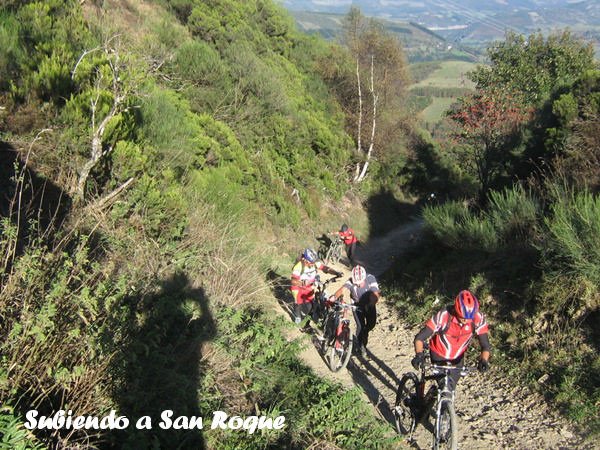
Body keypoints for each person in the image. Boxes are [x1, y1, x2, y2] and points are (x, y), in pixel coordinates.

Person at [411, 290, 490, 392]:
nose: (466, 320)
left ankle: (438, 398)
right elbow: (419, 338)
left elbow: (485, 345)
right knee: (445, 386)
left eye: (469, 318)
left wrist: (484, 360)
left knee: (450, 388)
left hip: (458, 358)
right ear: (456, 310)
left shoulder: (478, 318)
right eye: (463, 317)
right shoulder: (444, 316)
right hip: (438, 354)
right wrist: (419, 355)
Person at [331, 265, 380, 358]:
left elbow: (376, 294)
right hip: (356, 305)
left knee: (371, 325)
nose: (358, 285)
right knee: (360, 326)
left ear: (364, 278)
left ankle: (364, 333)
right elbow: (342, 289)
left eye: (360, 283)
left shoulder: (371, 278)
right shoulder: (351, 281)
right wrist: (334, 297)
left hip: (369, 304)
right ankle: (361, 345)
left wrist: (370, 304)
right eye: (356, 283)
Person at [290, 248, 342, 332]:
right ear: (305, 260)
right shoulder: (299, 266)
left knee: (311, 306)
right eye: (311, 262)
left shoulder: (314, 263)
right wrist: (302, 283)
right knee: (299, 304)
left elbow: (325, 268)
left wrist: (336, 273)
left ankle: (306, 323)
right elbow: (293, 281)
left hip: (309, 288)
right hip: (298, 289)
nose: (313, 264)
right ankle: (297, 319)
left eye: (313, 262)